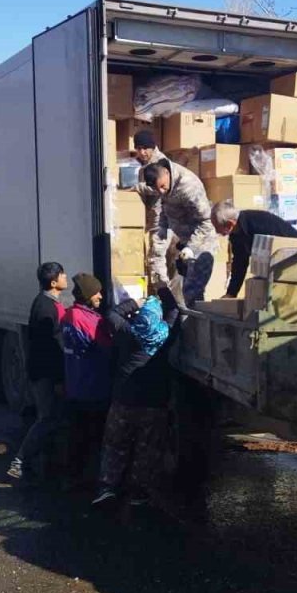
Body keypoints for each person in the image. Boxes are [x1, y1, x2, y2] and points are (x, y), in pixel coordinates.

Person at [93, 288, 181, 508]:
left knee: (115, 445)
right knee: (147, 449)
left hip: (124, 400)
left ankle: (108, 488)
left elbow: (112, 314)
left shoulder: (128, 333)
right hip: (154, 404)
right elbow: (174, 311)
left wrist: (136, 303)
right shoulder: (165, 335)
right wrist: (164, 291)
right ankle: (139, 492)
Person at [7, 261, 67, 484]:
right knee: (47, 417)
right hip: (44, 374)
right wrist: (59, 378)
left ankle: (38, 465)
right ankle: (20, 460)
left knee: (48, 417)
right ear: (53, 282)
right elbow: (49, 348)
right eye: (62, 275)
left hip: (42, 372)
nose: (65, 277)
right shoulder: (45, 308)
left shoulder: (47, 303)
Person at [141, 158, 218, 305]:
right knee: (179, 291)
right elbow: (163, 215)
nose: (161, 192)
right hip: (183, 242)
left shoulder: (188, 186)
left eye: (162, 187)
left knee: (192, 292)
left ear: (166, 173)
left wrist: (191, 247)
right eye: (157, 190)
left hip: (202, 243)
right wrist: (158, 245)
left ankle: (195, 326)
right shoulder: (163, 184)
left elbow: (206, 222)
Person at [61, 273, 112, 488]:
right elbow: (107, 349)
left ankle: (74, 476)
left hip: (76, 386)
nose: (100, 296)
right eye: (96, 292)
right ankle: (92, 480)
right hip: (93, 388)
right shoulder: (88, 320)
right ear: (86, 295)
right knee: (94, 436)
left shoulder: (69, 316)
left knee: (77, 435)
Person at [211, 201, 297, 299]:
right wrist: (231, 293)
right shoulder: (236, 234)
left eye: (217, 227)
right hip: (280, 268)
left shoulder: (258, 223)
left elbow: (275, 253)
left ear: (230, 224)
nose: (217, 232)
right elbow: (240, 263)